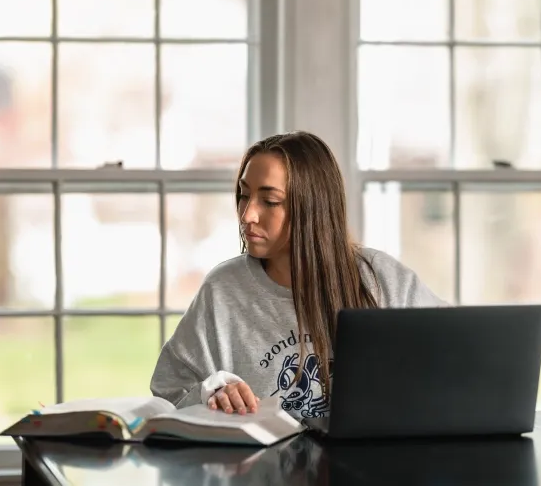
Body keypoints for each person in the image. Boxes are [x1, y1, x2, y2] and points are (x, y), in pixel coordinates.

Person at [150, 131, 448, 421]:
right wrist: (211, 394)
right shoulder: (222, 290)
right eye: (244, 195)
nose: (247, 215)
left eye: (270, 201)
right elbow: (168, 392)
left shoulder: (381, 280)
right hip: (255, 469)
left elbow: (456, 358)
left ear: (312, 206)